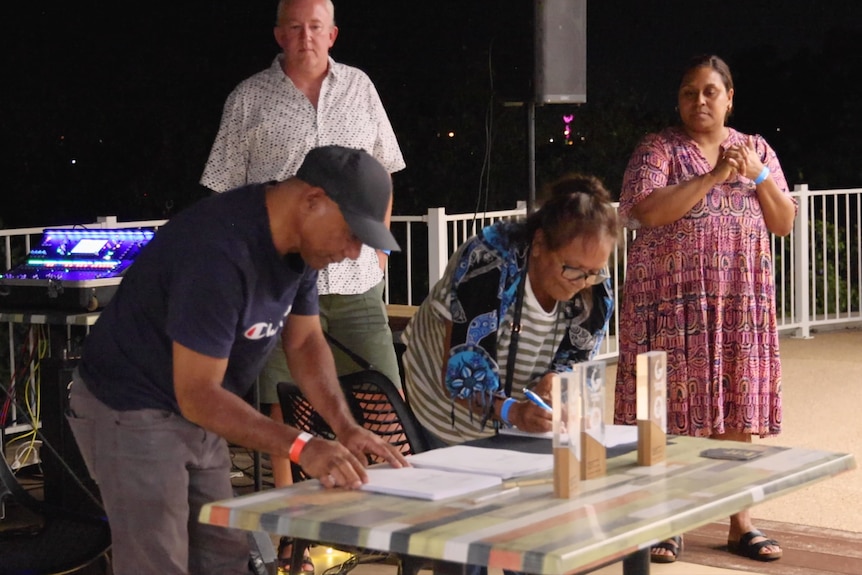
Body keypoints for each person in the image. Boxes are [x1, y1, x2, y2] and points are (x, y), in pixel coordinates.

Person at [66, 145, 409, 575]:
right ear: (313, 200)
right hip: (130, 404)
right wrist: (302, 446)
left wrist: (345, 426)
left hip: (200, 407)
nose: (355, 252)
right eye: (352, 234)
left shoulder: (301, 246)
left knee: (224, 555)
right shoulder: (218, 251)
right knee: (158, 560)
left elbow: (305, 341)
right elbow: (197, 394)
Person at [200, 6, 405, 559]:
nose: (305, 36)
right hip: (281, 279)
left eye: (315, 26)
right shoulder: (248, 98)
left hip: (356, 279)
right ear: (278, 34)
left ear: (332, 34)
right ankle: (295, 536)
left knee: (384, 391)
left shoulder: (360, 88)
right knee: (283, 403)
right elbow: (226, 190)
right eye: (294, 26)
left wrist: (378, 252)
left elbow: (384, 172)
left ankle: (392, 520)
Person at [613, 54, 797, 564]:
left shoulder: (756, 149)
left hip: (738, 303)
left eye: (710, 91)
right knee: (666, 411)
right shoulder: (659, 149)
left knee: (737, 409)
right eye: (689, 92)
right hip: (669, 307)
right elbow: (646, 211)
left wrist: (758, 175)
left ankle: (741, 523)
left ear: (729, 98)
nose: (699, 101)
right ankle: (667, 521)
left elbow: (783, 222)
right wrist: (715, 176)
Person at [403, 173, 620, 448]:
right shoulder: (488, 263)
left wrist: (555, 381)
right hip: (443, 411)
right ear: (539, 244)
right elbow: (464, 377)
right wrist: (514, 412)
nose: (582, 282)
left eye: (593, 272)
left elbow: (576, 361)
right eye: (572, 269)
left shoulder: (596, 286)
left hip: (517, 423)